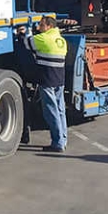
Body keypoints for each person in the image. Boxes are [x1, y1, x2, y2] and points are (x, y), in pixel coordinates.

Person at [18, 16, 68, 152]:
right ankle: (63, 140)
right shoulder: (61, 40)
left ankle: (57, 143)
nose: (38, 27)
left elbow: (28, 43)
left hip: (48, 80)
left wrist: (24, 32)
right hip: (59, 80)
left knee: (51, 112)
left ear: (49, 27)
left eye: (41, 25)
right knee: (60, 110)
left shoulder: (44, 38)